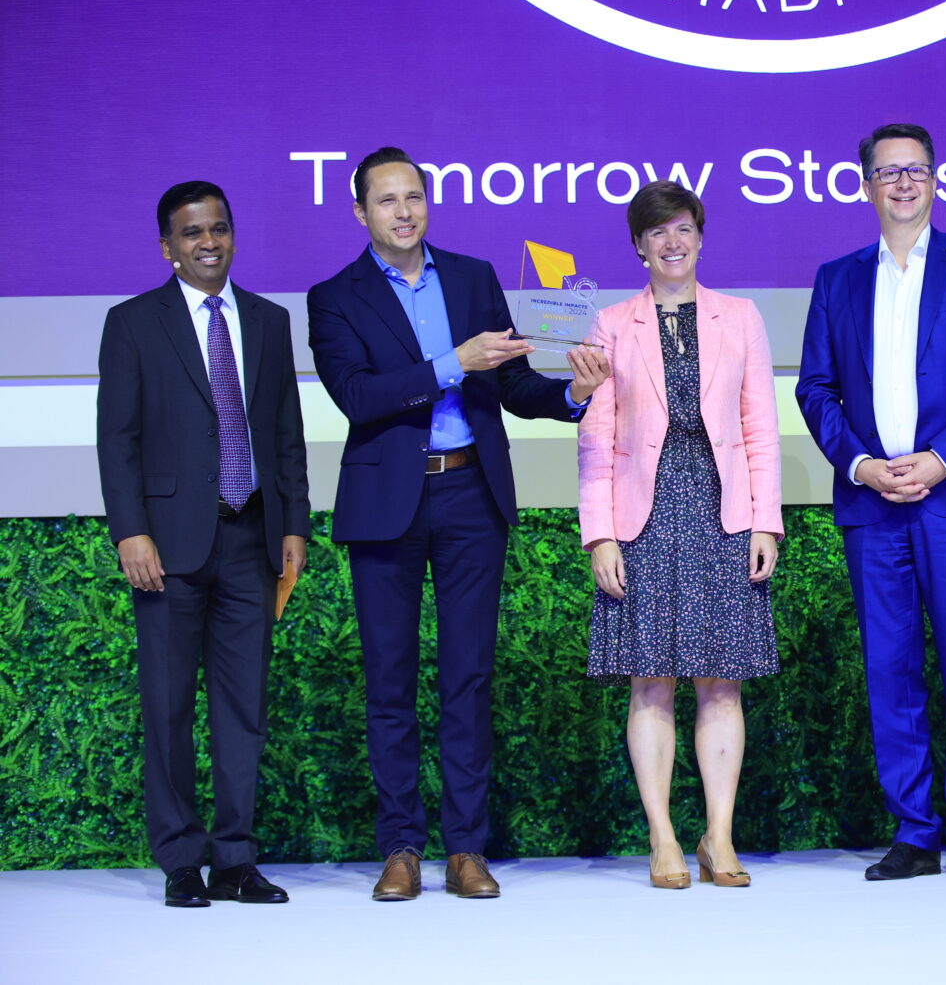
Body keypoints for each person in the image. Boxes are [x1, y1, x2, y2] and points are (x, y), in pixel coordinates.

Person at [306, 147, 611, 900]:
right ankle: (402, 845)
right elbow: (359, 396)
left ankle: (467, 848)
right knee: (390, 680)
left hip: (472, 496)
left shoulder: (473, 277)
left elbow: (508, 381)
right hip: (386, 505)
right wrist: (451, 362)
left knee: (468, 677)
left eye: (414, 196)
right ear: (360, 212)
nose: (404, 211)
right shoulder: (334, 295)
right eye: (387, 200)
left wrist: (570, 395)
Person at [796, 123, 946, 882]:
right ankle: (916, 829)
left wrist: (940, 458)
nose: (903, 183)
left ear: (935, 180)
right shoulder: (838, 277)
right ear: (865, 185)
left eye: (916, 170)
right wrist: (862, 463)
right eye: (888, 171)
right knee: (888, 669)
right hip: (874, 504)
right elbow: (816, 387)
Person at [97, 181, 310, 907]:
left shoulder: (269, 321)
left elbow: (285, 435)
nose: (208, 241)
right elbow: (116, 439)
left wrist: (293, 524)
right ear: (167, 246)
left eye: (218, 227)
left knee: (242, 706)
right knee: (168, 706)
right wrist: (131, 529)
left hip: (252, 537)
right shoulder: (132, 323)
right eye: (191, 233)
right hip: (167, 543)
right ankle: (182, 859)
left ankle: (236, 859)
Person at [577, 181, 782, 889]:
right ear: (638, 245)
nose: (673, 242)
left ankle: (718, 836)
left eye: (684, 228)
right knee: (651, 683)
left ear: (700, 235)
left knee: (722, 683)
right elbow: (597, 440)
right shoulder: (609, 324)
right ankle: (662, 837)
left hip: (724, 513)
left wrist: (766, 521)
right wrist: (600, 534)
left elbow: (761, 428)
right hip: (644, 515)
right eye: (658, 232)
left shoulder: (741, 317)